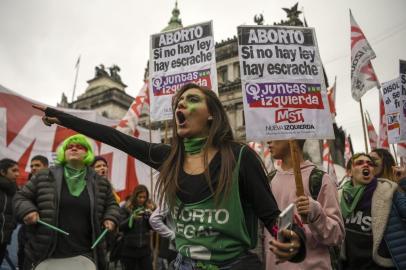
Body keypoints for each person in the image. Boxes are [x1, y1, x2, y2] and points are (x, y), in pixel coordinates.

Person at [33, 83, 306, 269]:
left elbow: (272, 218)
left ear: (212, 114)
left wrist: (294, 239)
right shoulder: (169, 156)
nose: (182, 104)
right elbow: (116, 137)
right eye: (179, 102)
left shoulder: (240, 156)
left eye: (192, 99)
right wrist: (64, 119)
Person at [13, 134, 121, 269]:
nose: (74, 149)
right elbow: (21, 198)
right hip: (46, 254)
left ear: (87, 153)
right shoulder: (44, 176)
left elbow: (112, 205)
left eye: (79, 147)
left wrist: (111, 217)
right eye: (69, 147)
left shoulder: (101, 182)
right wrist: (28, 210)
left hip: (85, 254)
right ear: (63, 152)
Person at [265, 140, 344, 270]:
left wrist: (316, 214)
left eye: (277, 132)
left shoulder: (320, 180)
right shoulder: (268, 181)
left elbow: (337, 236)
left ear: (292, 137)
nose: (269, 140)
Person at [339, 153, 406, 269]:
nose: (366, 165)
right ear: (349, 172)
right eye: (359, 163)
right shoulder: (339, 196)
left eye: (370, 164)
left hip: (381, 265)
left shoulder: (389, 190)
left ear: (373, 171)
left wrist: (404, 182)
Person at [17, 155, 49, 270]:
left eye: (37, 165)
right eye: (31, 166)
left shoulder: (54, 185)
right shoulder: (26, 186)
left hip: (43, 234)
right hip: (26, 232)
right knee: (23, 261)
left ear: (46, 167)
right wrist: (27, 211)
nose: (33, 168)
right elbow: (17, 208)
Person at [119, 185, 153, 270]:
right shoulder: (126, 208)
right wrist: (132, 218)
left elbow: (152, 228)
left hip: (145, 251)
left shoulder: (148, 208)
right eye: (140, 197)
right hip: (129, 251)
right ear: (135, 196)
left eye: (144, 197)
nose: (142, 199)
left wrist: (151, 218)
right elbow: (120, 227)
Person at [0, 158, 19, 266]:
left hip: (4, 240)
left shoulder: (15, 191)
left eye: (18, 170)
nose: (18, 174)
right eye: (14, 170)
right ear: (3, 172)